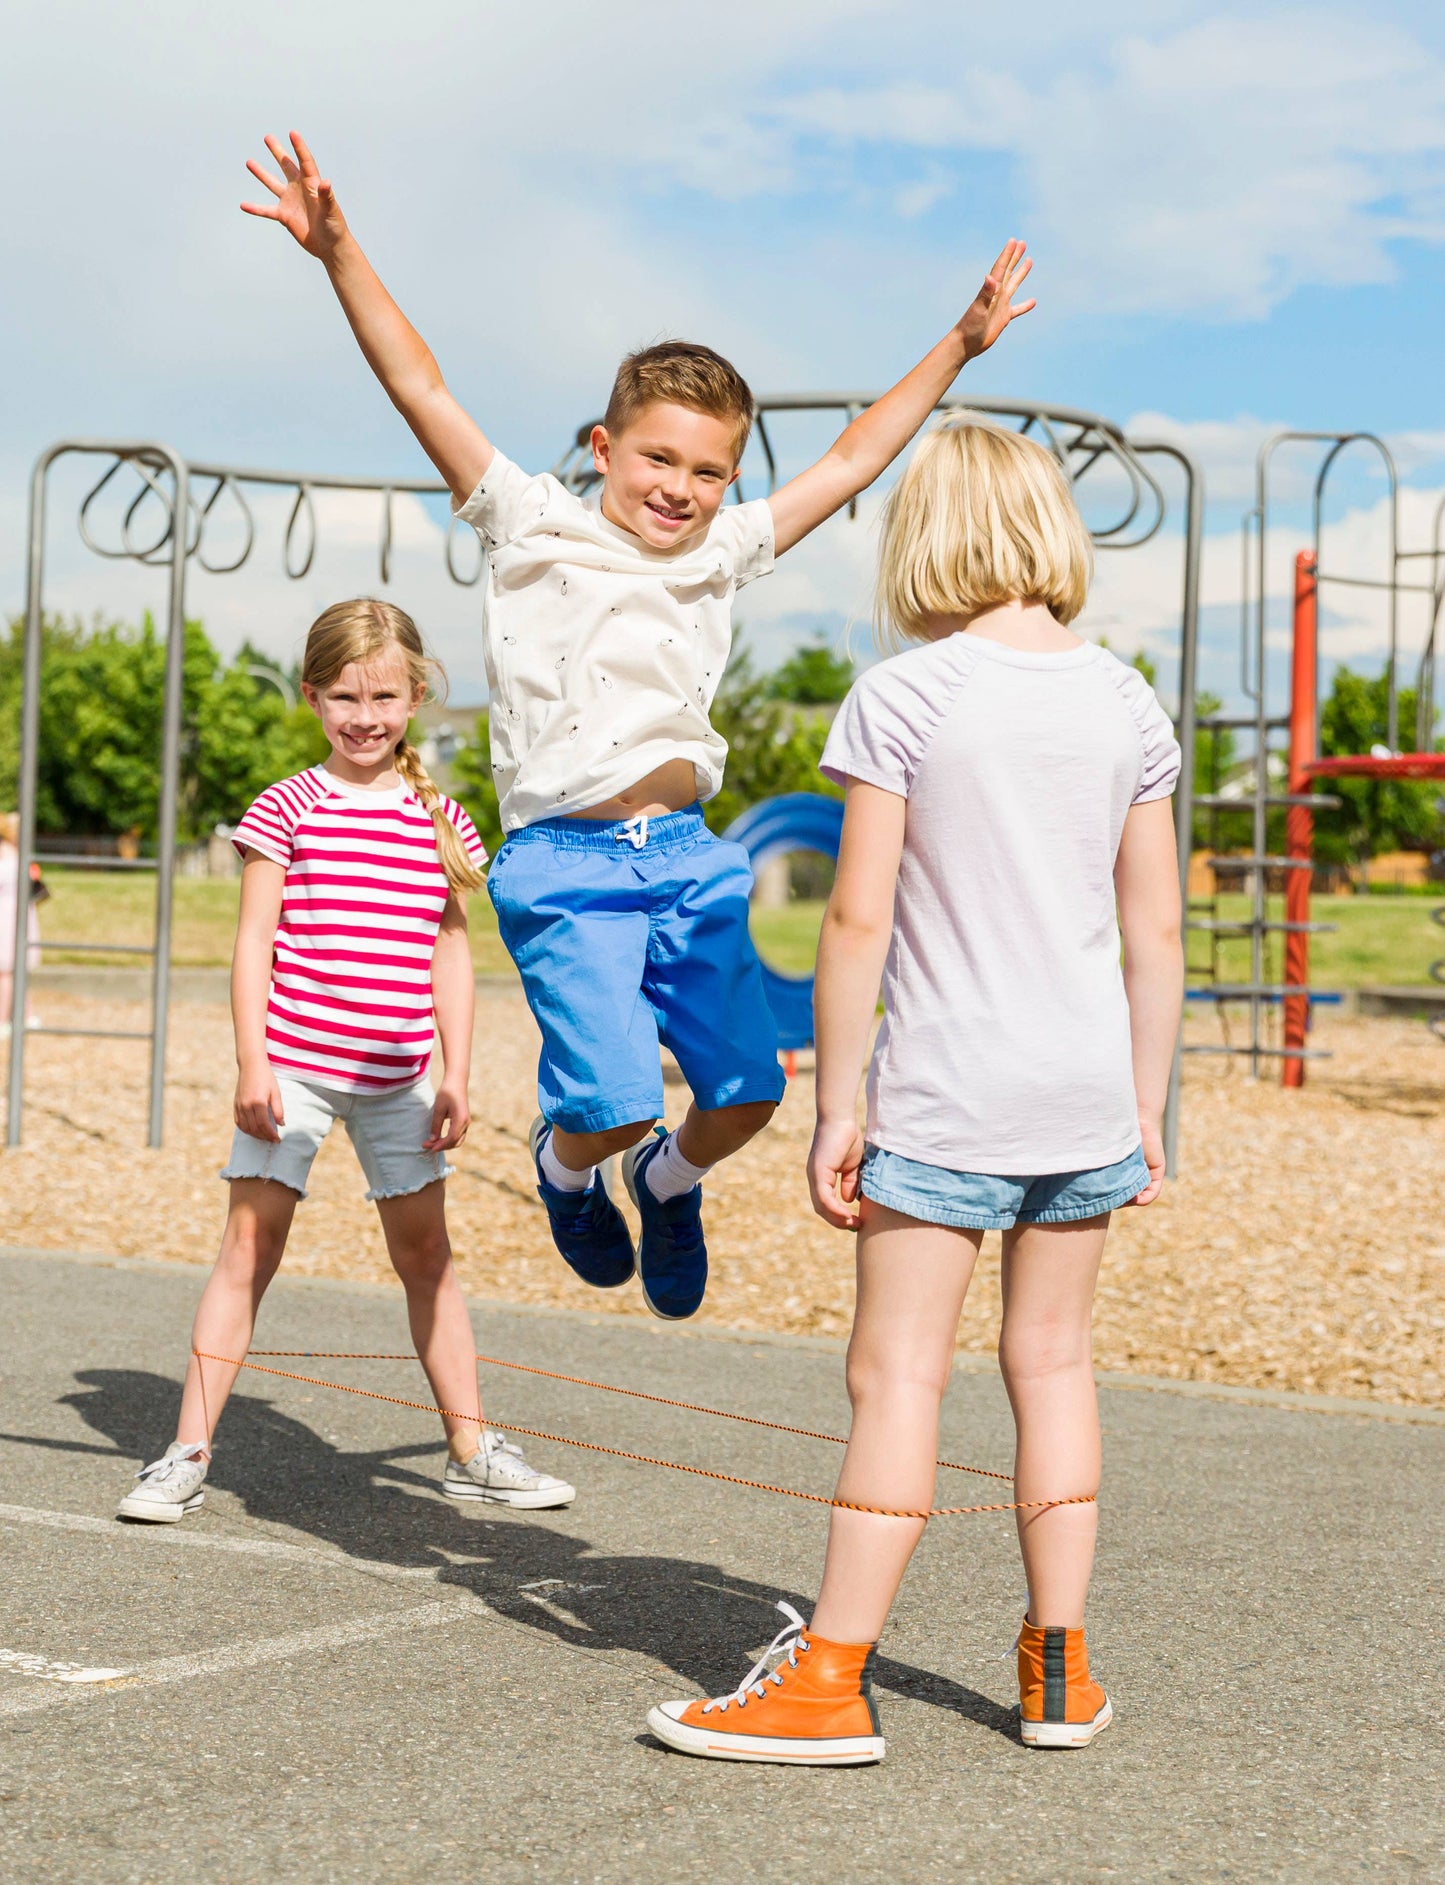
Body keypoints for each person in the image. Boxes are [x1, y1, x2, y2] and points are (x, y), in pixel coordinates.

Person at [240, 130, 1035, 1322]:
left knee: (748, 1090)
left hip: (687, 854)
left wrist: (959, 346)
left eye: (707, 471)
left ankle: (666, 1187)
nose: (679, 487)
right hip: (562, 861)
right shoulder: (529, 523)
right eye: (657, 458)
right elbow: (420, 383)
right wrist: (339, 253)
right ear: (604, 449)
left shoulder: (724, 549)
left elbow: (855, 452)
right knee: (607, 1097)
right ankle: (570, 1171)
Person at [647, 420, 1184, 1763]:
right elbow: (1157, 932)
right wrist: (1148, 1106)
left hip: (948, 1089)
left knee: (895, 1379)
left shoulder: (903, 695)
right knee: (1052, 1366)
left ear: (925, 538)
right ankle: (1057, 1671)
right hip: (1081, 1095)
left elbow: (855, 922)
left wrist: (836, 1101)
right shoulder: (1126, 699)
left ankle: (829, 1679)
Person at [117, 599, 574, 1522]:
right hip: (296, 1067)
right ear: (313, 697)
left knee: (428, 1258)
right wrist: (254, 1064)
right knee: (250, 1247)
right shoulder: (286, 806)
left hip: (403, 1080)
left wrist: (457, 1073)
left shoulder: (440, 817)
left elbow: (452, 952)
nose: (364, 715)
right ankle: (186, 1450)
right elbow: (253, 943)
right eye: (344, 697)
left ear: (416, 697)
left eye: (384, 696)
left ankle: (470, 1447)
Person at [0, 811, 42, 1040]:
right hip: (22, 916)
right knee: (17, 973)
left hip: (6, 919)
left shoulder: (5, 858)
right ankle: (27, 1016)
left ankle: (3, 1020)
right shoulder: (23, 859)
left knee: (5, 974)